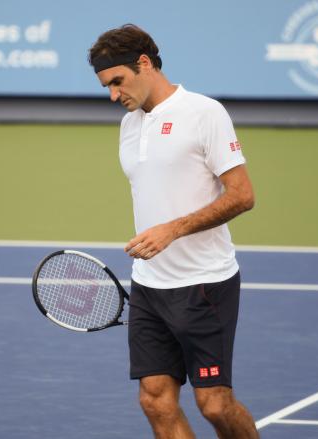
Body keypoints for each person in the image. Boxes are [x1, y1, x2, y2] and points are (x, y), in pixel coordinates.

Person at [88, 24, 259, 439]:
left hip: (204, 285)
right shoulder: (129, 125)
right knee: (155, 400)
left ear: (143, 64)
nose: (114, 95)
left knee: (215, 405)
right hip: (149, 286)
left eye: (117, 82)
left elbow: (242, 196)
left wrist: (173, 230)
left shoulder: (204, 113)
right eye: (106, 87)